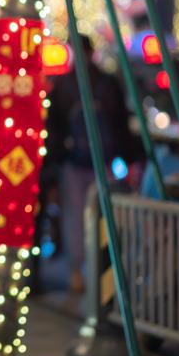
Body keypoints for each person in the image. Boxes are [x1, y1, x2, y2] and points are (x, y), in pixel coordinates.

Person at [47, 35, 134, 293]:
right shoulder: (107, 83)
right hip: (101, 162)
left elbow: (55, 129)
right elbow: (122, 124)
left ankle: (81, 272)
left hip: (76, 162)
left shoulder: (64, 85)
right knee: (103, 216)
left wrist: (56, 160)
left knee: (77, 217)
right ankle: (101, 274)